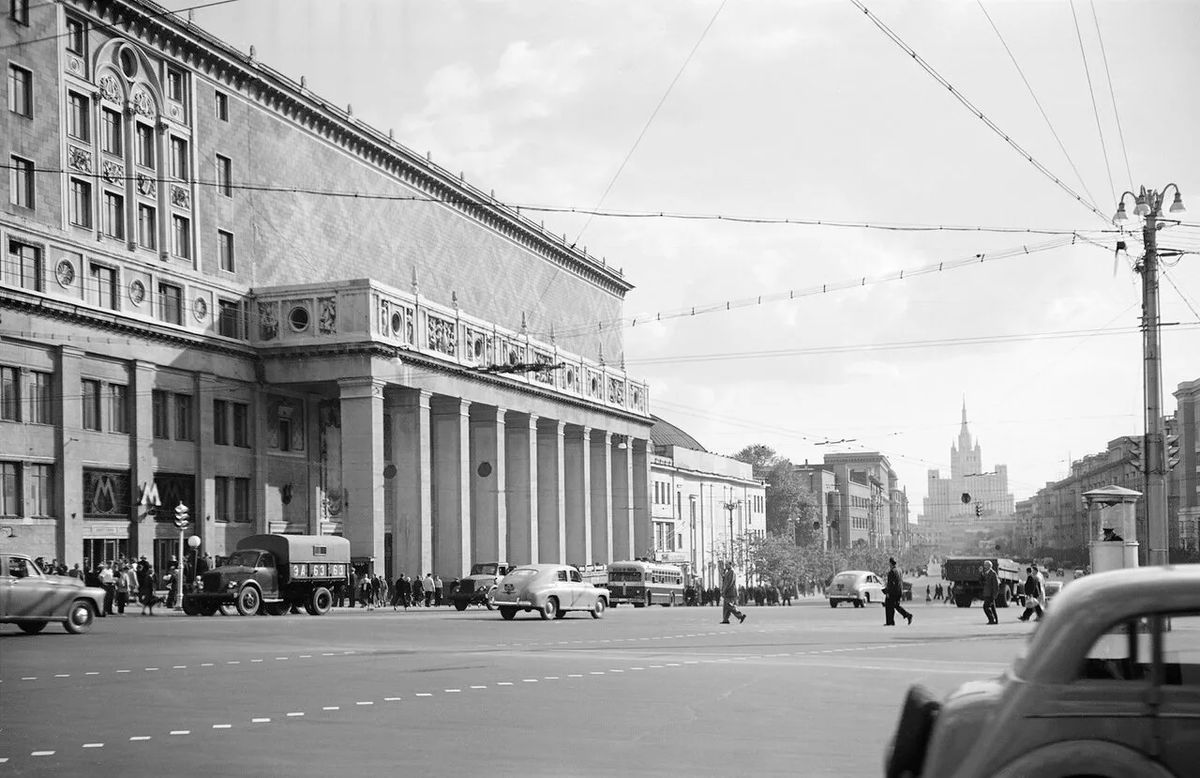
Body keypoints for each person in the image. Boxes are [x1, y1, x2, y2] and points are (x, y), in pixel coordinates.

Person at [883, 557, 913, 627]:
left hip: (893, 592)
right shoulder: (899, 570)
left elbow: (891, 583)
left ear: (890, 563)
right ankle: (907, 615)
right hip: (899, 591)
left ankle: (890, 622)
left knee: (889, 605)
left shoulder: (892, 571)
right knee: (895, 605)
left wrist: (888, 592)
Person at [980, 560, 999, 625]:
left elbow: (996, 585)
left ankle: (991, 619)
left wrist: (994, 595)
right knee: (993, 608)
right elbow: (982, 581)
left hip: (990, 594)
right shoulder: (985, 573)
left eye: (986, 565)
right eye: (984, 565)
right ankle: (995, 620)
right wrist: (981, 574)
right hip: (986, 593)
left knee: (985, 607)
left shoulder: (993, 574)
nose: (984, 566)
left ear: (989, 566)